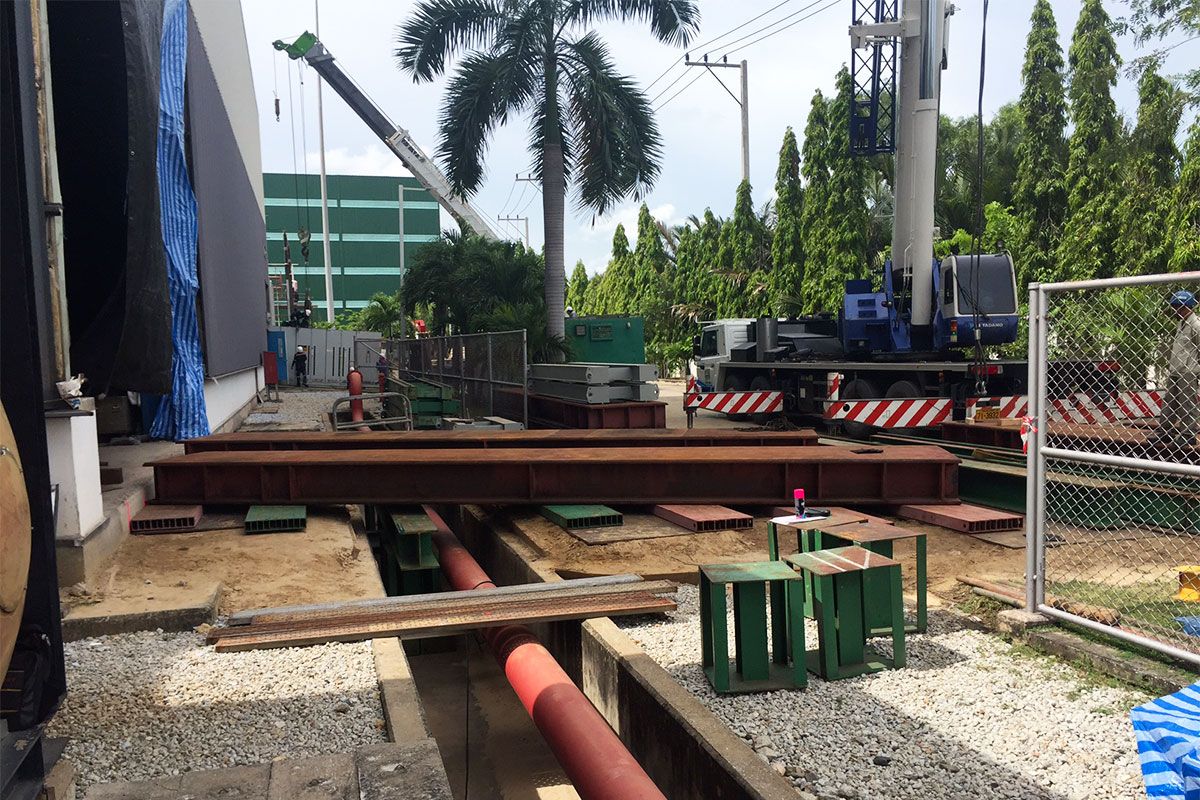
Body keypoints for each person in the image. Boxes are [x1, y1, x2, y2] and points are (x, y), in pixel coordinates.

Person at [1155, 290, 1200, 450]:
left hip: (1188, 370)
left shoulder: (1196, 325)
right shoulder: (1181, 323)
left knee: (1187, 403)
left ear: (1189, 307)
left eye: (1180, 307)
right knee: (1170, 401)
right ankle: (1164, 431)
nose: (1176, 310)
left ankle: (1188, 435)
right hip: (1176, 369)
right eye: (1175, 307)